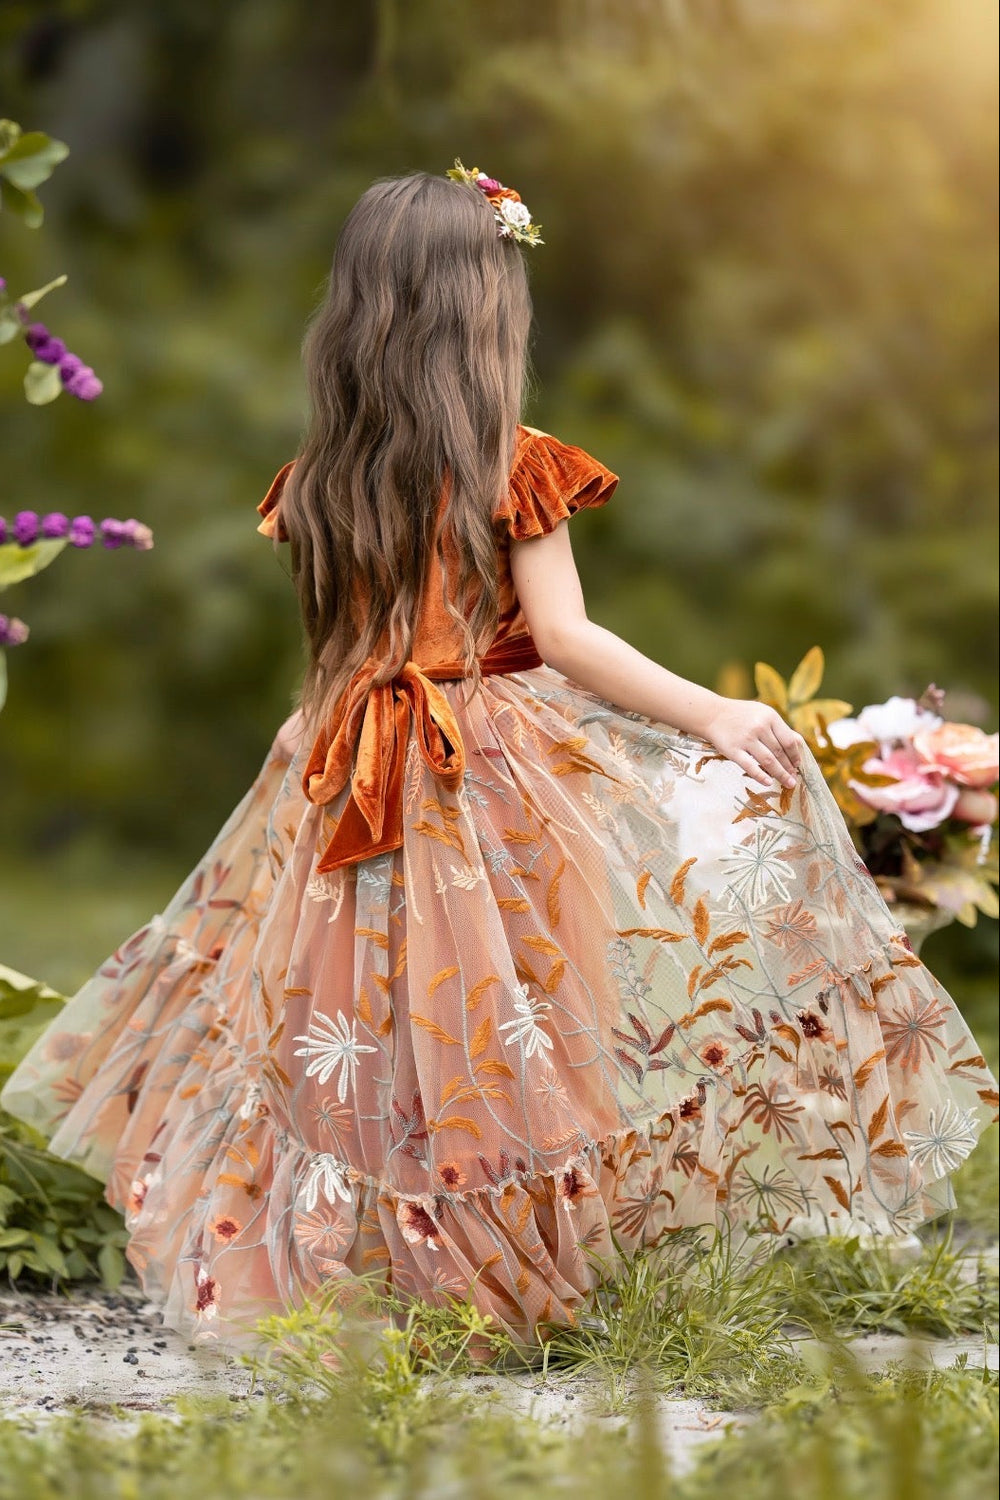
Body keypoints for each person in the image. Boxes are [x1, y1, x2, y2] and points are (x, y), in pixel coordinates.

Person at [3, 166, 995, 1350]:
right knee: (532, 1018)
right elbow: (566, 638)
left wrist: (297, 775)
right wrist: (712, 715)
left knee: (373, 1030)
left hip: (352, 768)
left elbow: (336, 665)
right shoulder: (507, 460)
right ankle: (512, 1276)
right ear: (482, 310)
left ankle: (368, 1273)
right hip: (498, 774)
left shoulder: (320, 478)